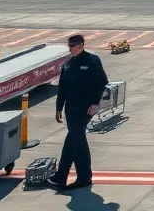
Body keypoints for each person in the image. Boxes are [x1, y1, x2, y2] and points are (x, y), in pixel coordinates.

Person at [49, 34, 108, 191]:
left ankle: (61, 175)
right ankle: (84, 177)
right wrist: (58, 108)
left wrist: (95, 103)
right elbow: (62, 89)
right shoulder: (67, 65)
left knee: (72, 139)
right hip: (71, 108)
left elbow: (102, 82)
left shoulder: (92, 60)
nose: (72, 48)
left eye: (74, 45)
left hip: (86, 107)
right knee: (79, 141)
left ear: (82, 45)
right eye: (70, 46)